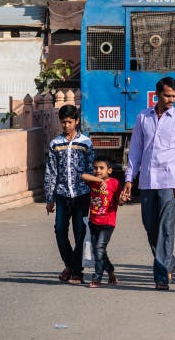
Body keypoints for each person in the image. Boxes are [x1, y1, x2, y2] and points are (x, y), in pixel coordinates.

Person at [121, 77, 175, 291]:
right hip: (146, 180)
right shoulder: (142, 118)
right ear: (157, 94)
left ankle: (161, 275)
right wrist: (129, 179)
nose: (171, 99)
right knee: (150, 226)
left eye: (174, 96)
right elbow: (135, 150)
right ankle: (169, 261)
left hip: (169, 181)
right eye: (167, 95)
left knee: (166, 228)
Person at [45, 104, 95, 284]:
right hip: (62, 194)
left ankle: (76, 271)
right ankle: (70, 264)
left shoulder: (86, 143)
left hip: (82, 194)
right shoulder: (55, 144)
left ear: (77, 121)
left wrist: (95, 193)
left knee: (80, 232)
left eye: (69, 122)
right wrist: (49, 198)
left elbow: (91, 169)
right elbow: (51, 172)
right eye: (63, 122)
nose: (66, 125)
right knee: (59, 231)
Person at [81, 158, 120, 288]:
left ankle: (97, 277)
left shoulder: (114, 183)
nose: (97, 170)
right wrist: (99, 180)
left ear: (109, 170)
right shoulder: (93, 182)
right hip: (93, 222)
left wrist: (123, 199)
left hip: (107, 223)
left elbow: (119, 201)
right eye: (95, 168)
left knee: (99, 249)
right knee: (99, 251)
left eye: (101, 168)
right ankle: (111, 272)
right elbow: (82, 175)